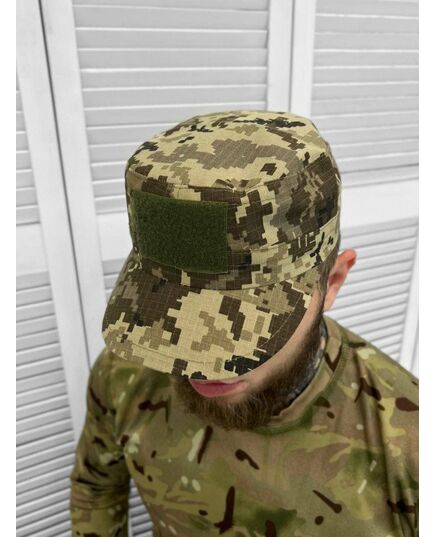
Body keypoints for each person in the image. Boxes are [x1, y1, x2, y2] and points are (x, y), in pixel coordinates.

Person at [69, 110, 418, 537]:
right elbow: (96, 484)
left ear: (332, 283)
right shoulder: (125, 374)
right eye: (167, 315)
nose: (201, 362)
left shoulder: (412, 445)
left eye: (243, 325)